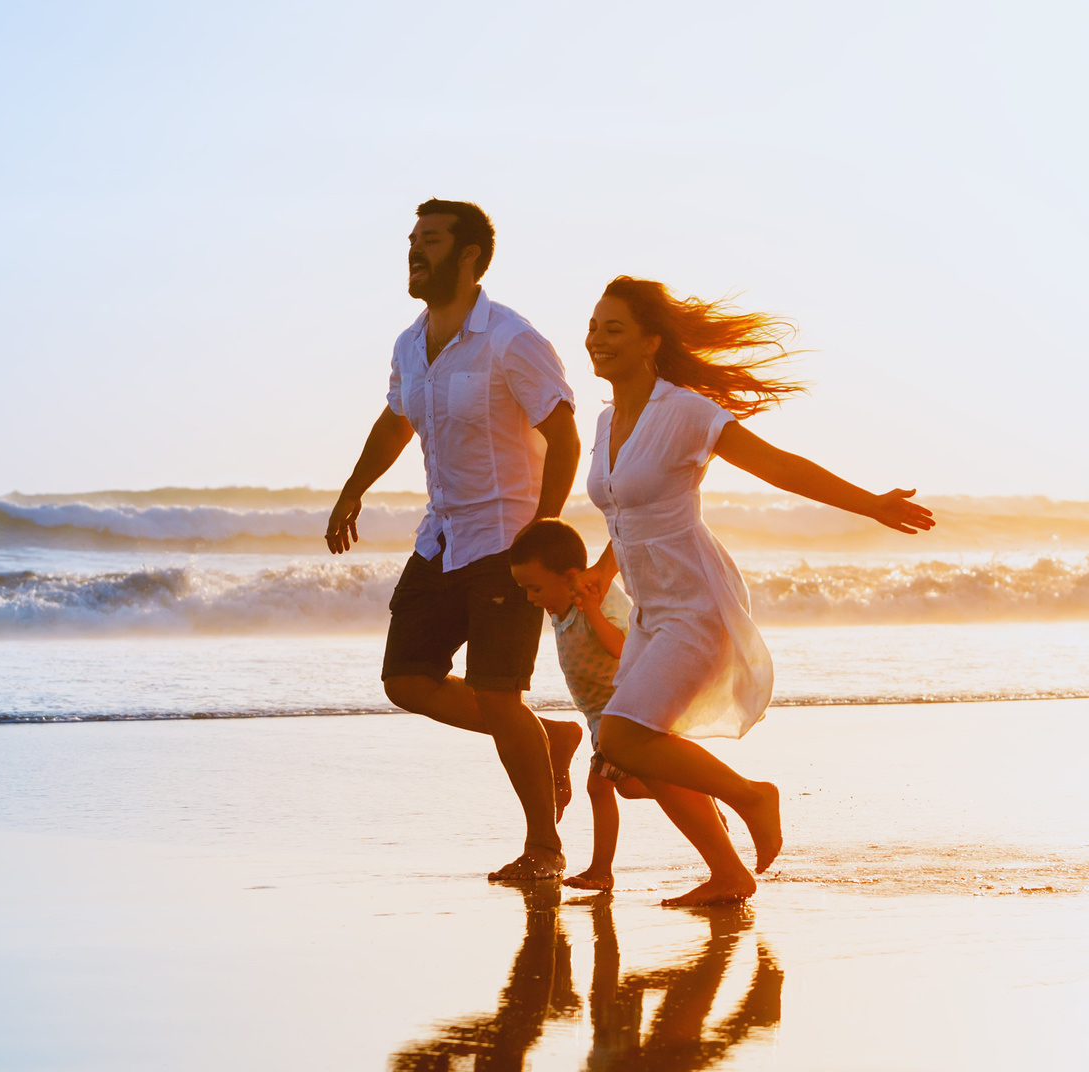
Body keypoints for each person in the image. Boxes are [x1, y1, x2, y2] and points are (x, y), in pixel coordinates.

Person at [580, 276, 934, 905]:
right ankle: (728, 874)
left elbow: (777, 465)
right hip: (650, 611)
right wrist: (605, 569)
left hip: (696, 606)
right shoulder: (609, 418)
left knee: (621, 739)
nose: (596, 339)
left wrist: (869, 504)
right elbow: (623, 511)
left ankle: (751, 796)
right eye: (594, 326)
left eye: (614, 328)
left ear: (650, 341)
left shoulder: (683, 411)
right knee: (633, 765)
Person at [325, 199, 584, 881]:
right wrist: (354, 488)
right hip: (442, 536)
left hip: (507, 539)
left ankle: (544, 849)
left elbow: (563, 433)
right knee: (405, 678)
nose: (416, 252)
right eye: (413, 240)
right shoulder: (411, 343)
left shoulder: (510, 338)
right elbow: (396, 419)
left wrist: (545, 527)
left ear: (469, 256)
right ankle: (548, 737)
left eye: (431, 241)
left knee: (500, 695)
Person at [507, 517, 650, 891]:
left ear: (570, 576)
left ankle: (602, 870)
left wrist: (592, 612)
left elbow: (621, 647)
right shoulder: (561, 603)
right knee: (629, 787)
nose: (529, 598)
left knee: (602, 787)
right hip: (601, 718)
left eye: (534, 588)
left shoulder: (598, 598)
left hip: (628, 710)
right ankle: (694, 787)